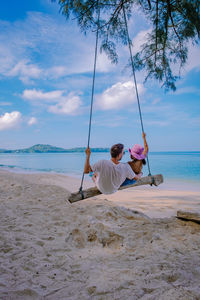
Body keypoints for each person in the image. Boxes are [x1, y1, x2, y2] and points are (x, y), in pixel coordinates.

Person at [84, 133, 148, 194]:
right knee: (129, 178)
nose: (124, 154)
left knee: (94, 175)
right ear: (119, 155)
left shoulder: (102, 162)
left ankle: (93, 175)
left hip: (101, 188)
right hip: (113, 189)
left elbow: (86, 171)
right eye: (123, 153)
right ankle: (94, 175)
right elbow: (137, 178)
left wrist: (88, 155)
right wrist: (141, 173)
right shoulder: (126, 167)